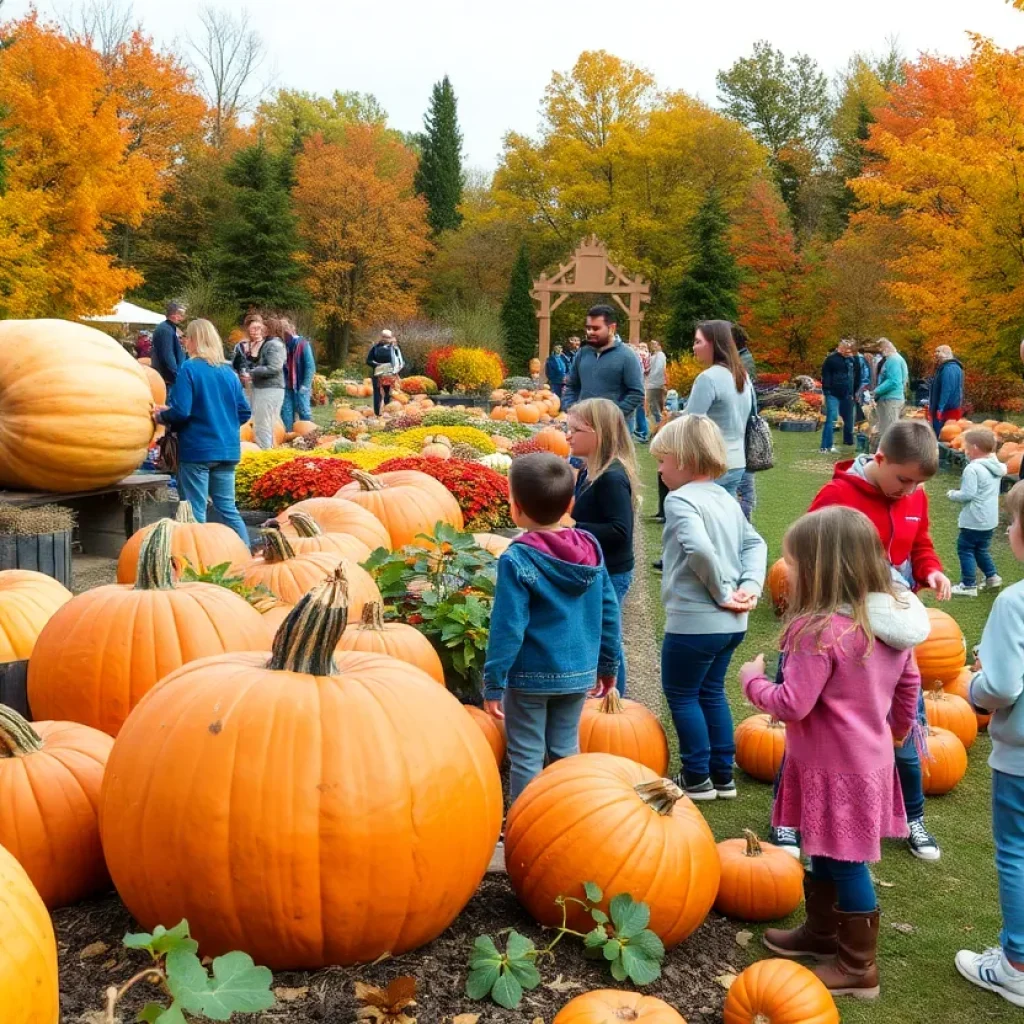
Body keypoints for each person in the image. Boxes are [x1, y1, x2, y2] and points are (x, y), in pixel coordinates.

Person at [740, 506, 929, 999]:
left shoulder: (817, 632)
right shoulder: (888, 623)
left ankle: (857, 967)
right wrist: (899, 730)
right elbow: (910, 683)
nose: (789, 573)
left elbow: (792, 704)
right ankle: (820, 934)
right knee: (822, 848)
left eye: (794, 563)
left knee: (844, 861)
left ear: (820, 568)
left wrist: (753, 682)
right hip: (865, 761)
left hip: (830, 766)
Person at [770, 419, 949, 861]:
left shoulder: (915, 496)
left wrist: (930, 570)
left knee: (902, 729)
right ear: (880, 459)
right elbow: (807, 553)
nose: (908, 490)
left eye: (918, 483)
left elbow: (919, 542)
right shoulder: (837, 496)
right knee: (804, 722)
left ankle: (912, 815)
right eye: (902, 478)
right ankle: (789, 821)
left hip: (884, 626)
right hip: (832, 623)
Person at [482, 452, 621, 800]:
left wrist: (493, 682)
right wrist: (608, 664)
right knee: (565, 748)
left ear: (514, 508)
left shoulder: (517, 557)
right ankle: (567, 817)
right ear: (570, 504)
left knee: (526, 755)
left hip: (530, 676)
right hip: (579, 673)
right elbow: (609, 609)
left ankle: (526, 822)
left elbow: (508, 626)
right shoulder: (591, 547)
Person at [651, 414, 767, 801]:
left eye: (662, 460)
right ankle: (722, 774)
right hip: (733, 624)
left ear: (683, 459)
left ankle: (697, 775)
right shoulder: (725, 497)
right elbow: (756, 544)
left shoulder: (681, 499)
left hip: (695, 621)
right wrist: (749, 586)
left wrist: (720, 592)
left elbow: (697, 548)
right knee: (711, 692)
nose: (660, 469)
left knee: (683, 694)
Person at [956, 479, 1024, 1007]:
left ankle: (1016, 964)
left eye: (1013, 523)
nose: (1008, 529)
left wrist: (974, 681)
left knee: (1016, 853)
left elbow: (1000, 688)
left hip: (1021, 760)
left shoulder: (1014, 603)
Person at [153, 320, 251, 545]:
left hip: (197, 450)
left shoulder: (190, 367)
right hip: (227, 451)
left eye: (186, 337)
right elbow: (244, 411)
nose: (184, 342)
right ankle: (245, 554)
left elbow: (182, 411)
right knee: (227, 509)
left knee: (195, 511)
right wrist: (221, 422)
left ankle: (198, 564)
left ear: (195, 340)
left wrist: (161, 416)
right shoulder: (228, 372)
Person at [567, 398, 639, 695]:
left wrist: (572, 528)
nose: (568, 436)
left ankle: (614, 700)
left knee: (607, 638)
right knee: (598, 635)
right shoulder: (588, 470)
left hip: (612, 570)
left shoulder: (611, 477)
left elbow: (619, 531)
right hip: (598, 567)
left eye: (575, 430)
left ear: (598, 434)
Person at [684, 320, 755, 502]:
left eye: (698, 342)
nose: (694, 347)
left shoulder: (708, 378)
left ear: (714, 344)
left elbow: (689, 424)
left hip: (712, 463)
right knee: (724, 521)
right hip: (737, 461)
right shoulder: (741, 375)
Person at [948, 427, 1006, 597]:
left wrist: (952, 494)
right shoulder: (996, 467)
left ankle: (968, 584)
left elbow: (968, 494)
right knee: (981, 549)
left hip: (974, 519)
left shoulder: (972, 469)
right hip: (989, 519)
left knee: (965, 548)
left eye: (966, 447)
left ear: (974, 448)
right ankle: (992, 577)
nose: (964, 450)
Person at [561, 306, 644, 418]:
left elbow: (636, 393)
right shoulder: (582, 353)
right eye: (588, 328)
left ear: (612, 328)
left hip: (615, 430)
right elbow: (571, 385)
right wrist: (571, 408)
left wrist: (613, 416)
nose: (590, 332)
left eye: (595, 329)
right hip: (584, 426)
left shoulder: (627, 356)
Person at [732, 325, 758, 520]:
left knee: (744, 486)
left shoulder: (743, 363)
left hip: (742, 430)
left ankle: (743, 525)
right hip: (742, 429)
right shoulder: (742, 359)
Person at [249, 316, 286, 449]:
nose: (260, 330)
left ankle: (264, 453)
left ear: (270, 329)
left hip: (269, 389)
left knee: (263, 425)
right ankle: (266, 451)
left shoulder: (274, 344)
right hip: (265, 388)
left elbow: (274, 367)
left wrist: (252, 372)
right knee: (264, 424)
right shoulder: (269, 343)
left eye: (263, 327)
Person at [869, 338, 908, 446]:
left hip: (890, 400)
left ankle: (888, 457)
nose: (880, 353)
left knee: (888, 432)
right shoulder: (899, 358)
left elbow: (894, 381)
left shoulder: (892, 360)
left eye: (880, 349)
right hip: (896, 398)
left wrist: (876, 391)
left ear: (885, 348)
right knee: (889, 430)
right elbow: (903, 380)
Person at [819, 340, 855, 454]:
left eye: (850, 349)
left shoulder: (849, 360)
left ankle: (845, 440)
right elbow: (825, 376)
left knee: (847, 418)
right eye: (847, 349)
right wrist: (827, 391)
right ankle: (825, 446)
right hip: (833, 393)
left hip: (846, 393)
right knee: (832, 418)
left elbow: (852, 376)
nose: (848, 351)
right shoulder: (831, 360)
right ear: (841, 348)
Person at [280, 319, 316, 429]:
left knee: (304, 411)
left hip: (300, 384)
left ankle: (308, 436)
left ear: (291, 330)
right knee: (286, 414)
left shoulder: (303, 344)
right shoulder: (281, 345)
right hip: (286, 386)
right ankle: (289, 437)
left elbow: (310, 366)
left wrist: (306, 385)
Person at [366, 329, 404, 415]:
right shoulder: (375, 348)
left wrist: (396, 369)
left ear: (391, 338)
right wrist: (376, 364)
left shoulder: (395, 348)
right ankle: (377, 414)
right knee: (377, 394)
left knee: (389, 394)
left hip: (391, 375)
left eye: (387, 337)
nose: (385, 339)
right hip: (378, 375)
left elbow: (401, 362)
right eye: (383, 336)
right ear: (381, 337)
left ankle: (388, 412)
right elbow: (368, 360)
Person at [930, 345, 965, 437]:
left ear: (946, 354)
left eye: (938, 352)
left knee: (942, 435)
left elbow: (947, 389)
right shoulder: (954, 367)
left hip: (946, 410)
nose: (935, 354)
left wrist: (940, 408)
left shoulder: (948, 368)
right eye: (935, 352)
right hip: (951, 407)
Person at [151, 301, 187, 386]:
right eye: (180, 315)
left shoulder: (169, 328)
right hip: (167, 379)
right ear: (173, 315)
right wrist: (177, 376)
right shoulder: (165, 329)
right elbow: (167, 355)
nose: (181, 318)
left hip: (168, 377)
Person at [231, 315, 265, 396]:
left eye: (259, 328)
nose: (256, 331)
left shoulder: (269, 345)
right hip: (244, 389)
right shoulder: (240, 346)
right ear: (248, 329)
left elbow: (274, 369)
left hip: (264, 389)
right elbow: (233, 367)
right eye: (253, 328)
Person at [631, 342, 651, 442]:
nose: (641, 349)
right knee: (640, 411)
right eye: (640, 347)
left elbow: (645, 371)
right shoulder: (642, 358)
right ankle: (642, 432)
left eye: (643, 347)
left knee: (638, 410)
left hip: (639, 386)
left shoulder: (640, 357)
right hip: (642, 385)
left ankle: (642, 432)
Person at [646, 340, 667, 427]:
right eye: (652, 344)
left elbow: (658, 369)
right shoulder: (654, 356)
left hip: (655, 385)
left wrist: (649, 378)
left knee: (656, 409)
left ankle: (660, 429)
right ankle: (660, 428)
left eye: (655, 344)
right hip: (653, 384)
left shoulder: (660, 355)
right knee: (656, 408)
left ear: (660, 345)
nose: (653, 345)